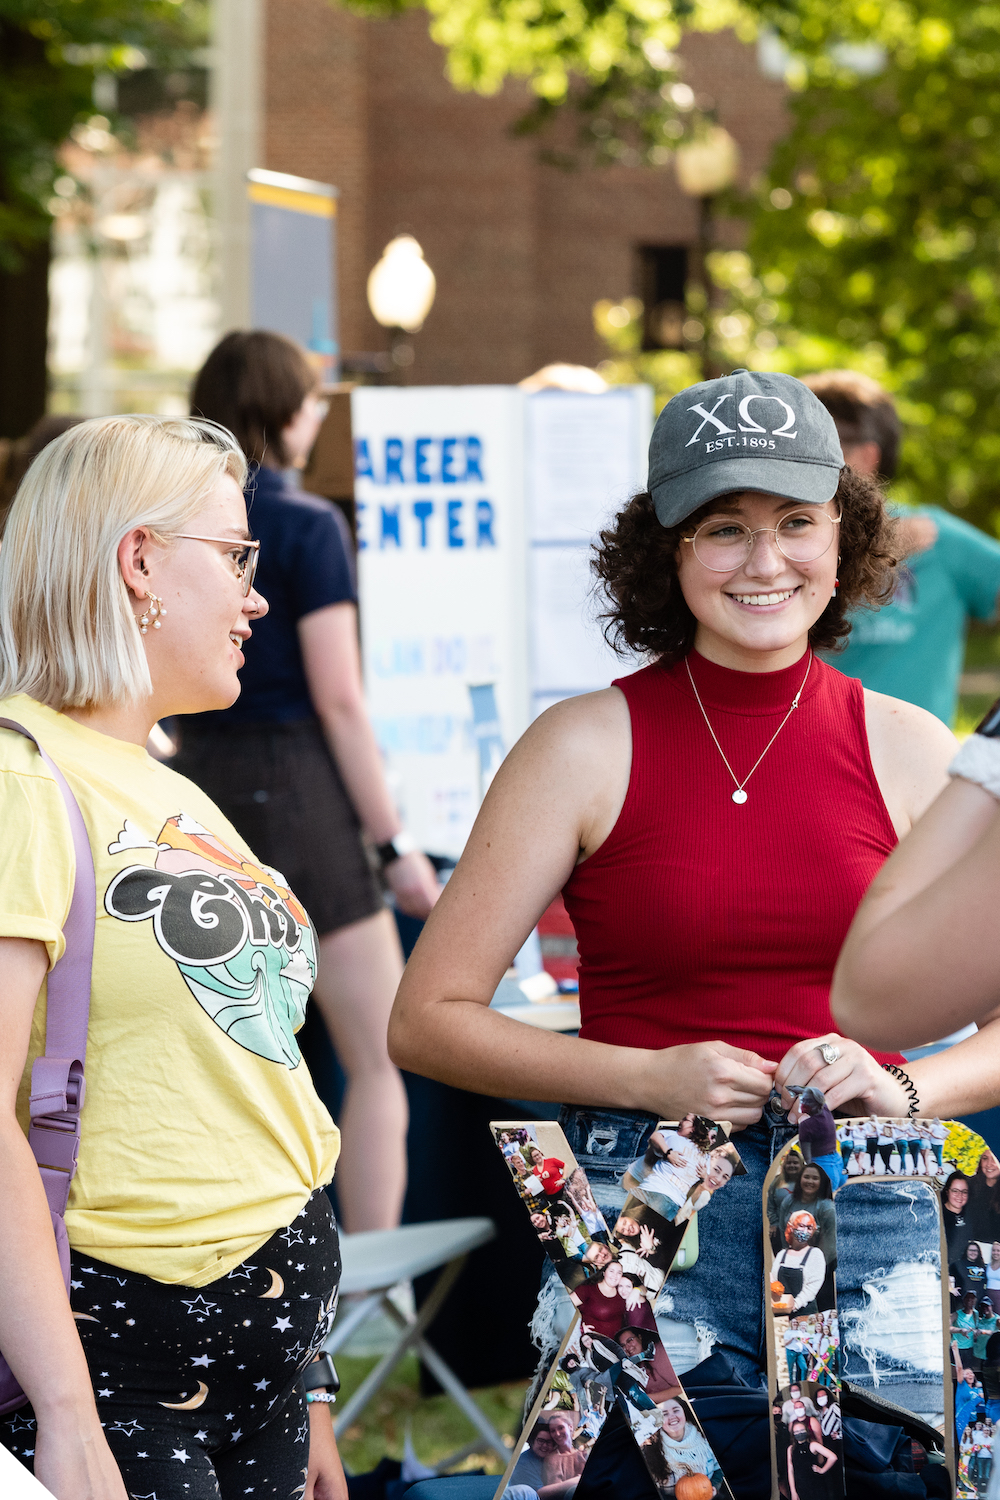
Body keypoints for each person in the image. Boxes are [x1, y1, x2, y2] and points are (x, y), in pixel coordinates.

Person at [387, 368, 975, 1428]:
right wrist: (647, 1074)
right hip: (646, 1216)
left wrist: (907, 1087)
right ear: (664, 548)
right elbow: (425, 1021)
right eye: (722, 528)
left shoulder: (909, 748)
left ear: (842, 540)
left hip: (877, 1215)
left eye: (796, 521)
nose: (764, 562)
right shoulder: (579, 746)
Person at [0, 415, 345, 1500]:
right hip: (121, 1367)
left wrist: (314, 1385)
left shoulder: (168, 781)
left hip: (267, 1363)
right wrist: (62, 1412)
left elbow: (255, 1086)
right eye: (234, 556)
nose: (256, 595)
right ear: (139, 560)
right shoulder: (23, 778)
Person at [181, 330, 440, 1233]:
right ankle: (370, 1304)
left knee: (223, 1062)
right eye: (314, 400)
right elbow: (340, 699)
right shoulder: (304, 524)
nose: (320, 414)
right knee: (376, 1058)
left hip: (197, 782)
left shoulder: (177, 515)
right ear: (287, 413)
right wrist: (395, 843)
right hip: (301, 790)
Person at [806, 369, 1000, 727]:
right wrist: (877, 548)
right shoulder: (783, 545)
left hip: (920, 766)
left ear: (866, 457)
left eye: (815, 449)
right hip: (815, 750)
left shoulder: (936, 539)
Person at [772, 1214, 827, 1316]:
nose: (804, 1230)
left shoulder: (815, 1254)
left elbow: (813, 1286)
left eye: (809, 1227)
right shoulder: (781, 1255)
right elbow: (773, 1280)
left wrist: (796, 1304)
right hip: (782, 1312)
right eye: (801, 1225)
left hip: (805, 1314)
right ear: (791, 1227)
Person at [786, 1418, 839, 1500]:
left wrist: (822, 1470)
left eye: (802, 1430)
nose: (799, 1433)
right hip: (799, 1486)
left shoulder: (813, 1445)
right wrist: (793, 1491)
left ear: (806, 1431)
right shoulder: (791, 1449)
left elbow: (833, 1457)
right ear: (793, 1434)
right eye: (796, 1432)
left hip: (815, 1485)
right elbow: (790, 1470)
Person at [968, 1150, 1000, 1247]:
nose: (989, 1164)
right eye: (985, 1158)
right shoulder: (969, 1185)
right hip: (971, 1250)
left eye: (994, 1159)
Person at [943, 1174, 974, 1263]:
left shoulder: (971, 1214)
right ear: (947, 1191)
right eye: (955, 1191)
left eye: (964, 1192)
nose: (959, 1195)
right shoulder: (938, 1214)